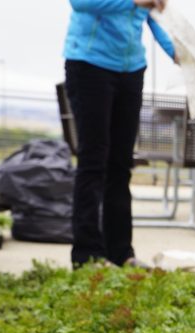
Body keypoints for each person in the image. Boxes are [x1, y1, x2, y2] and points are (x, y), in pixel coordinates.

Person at [62, 0, 177, 268]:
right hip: (90, 65)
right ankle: (87, 256)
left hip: (132, 70)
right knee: (93, 161)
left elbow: (151, 16)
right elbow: (81, 3)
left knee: (121, 165)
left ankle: (121, 253)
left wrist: (175, 50)